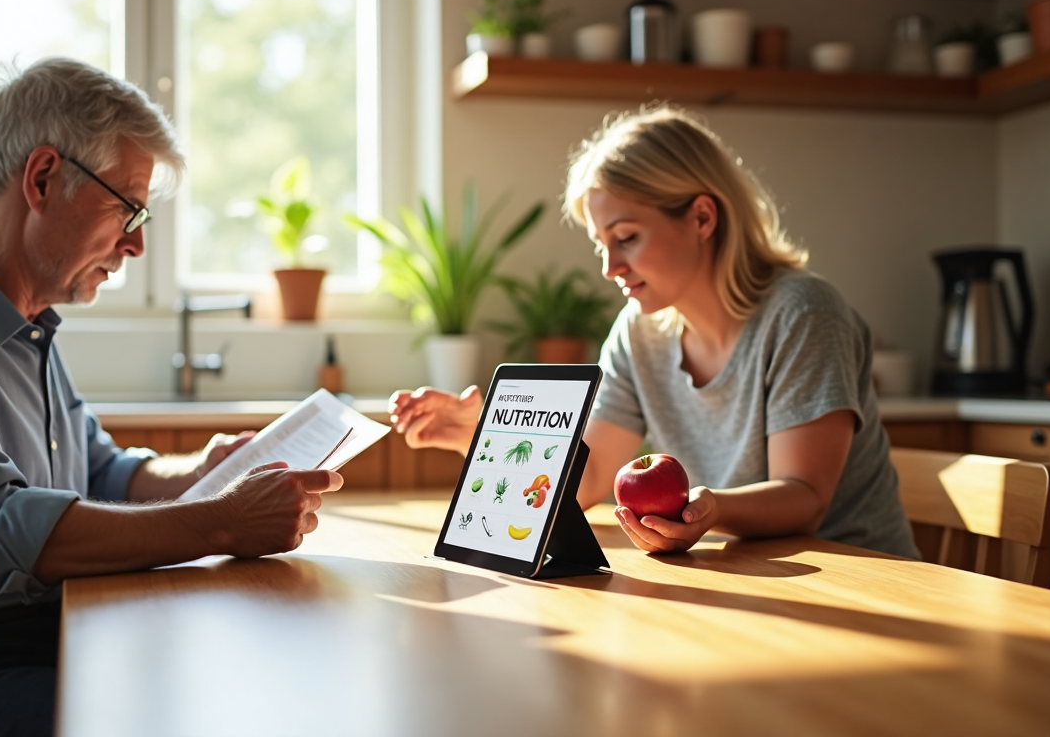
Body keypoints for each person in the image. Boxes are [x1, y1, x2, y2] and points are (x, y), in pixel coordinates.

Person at [0, 57, 342, 737]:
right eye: (128, 207)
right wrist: (221, 521)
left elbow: (104, 474)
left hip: (25, 640)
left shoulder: (25, 327)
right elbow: (2, 533)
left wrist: (201, 475)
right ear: (44, 177)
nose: (137, 244)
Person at [389, 106, 918, 560]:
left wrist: (711, 508)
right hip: (745, 577)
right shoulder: (639, 333)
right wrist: (488, 440)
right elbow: (588, 483)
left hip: (861, 578)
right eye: (601, 244)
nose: (609, 266)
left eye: (627, 238)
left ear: (702, 218)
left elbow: (805, 498)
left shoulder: (804, 314)